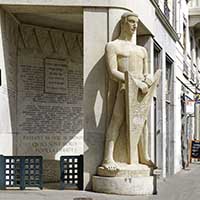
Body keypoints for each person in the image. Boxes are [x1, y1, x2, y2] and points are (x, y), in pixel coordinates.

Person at [102, 12, 159, 171]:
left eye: (136, 22)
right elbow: (113, 71)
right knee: (116, 121)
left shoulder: (142, 50)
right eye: (131, 22)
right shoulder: (113, 46)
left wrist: (147, 80)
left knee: (143, 123)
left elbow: (147, 72)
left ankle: (144, 155)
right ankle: (108, 158)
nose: (135, 26)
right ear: (123, 23)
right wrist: (133, 82)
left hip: (141, 92)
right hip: (124, 89)